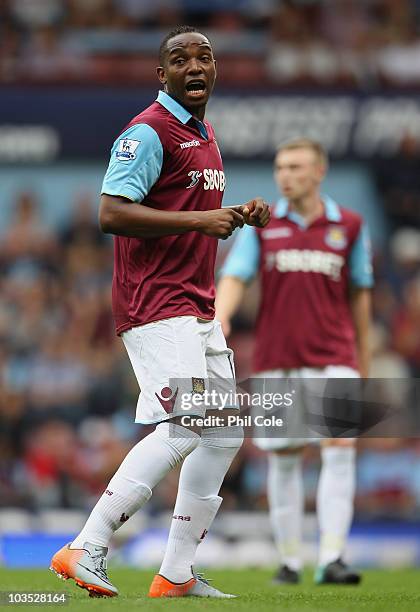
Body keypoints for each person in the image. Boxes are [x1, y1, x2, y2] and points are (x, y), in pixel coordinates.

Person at [49, 25, 270, 599]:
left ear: (217, 70)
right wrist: (202, 220)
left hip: (196, 303)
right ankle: (86, 545)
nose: (194, 67)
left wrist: (233, 213)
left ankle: (174, 573)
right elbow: (111, 214)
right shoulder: (147, 132)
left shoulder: (202, 133)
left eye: (205, 57)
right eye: (180, 59)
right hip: (155, 303)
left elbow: (185, 208)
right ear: (162, 74)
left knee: (222, 432)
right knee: (189, 424)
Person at [216, 138, 373, 585]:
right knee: (285, 458)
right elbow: (235, 275)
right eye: (281, 167)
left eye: (296, 166)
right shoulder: (264, 227)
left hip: (335, 357)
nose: (285, 175)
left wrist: (362, 356)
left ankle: (332, 558)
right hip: (277, 360)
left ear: (319, 171)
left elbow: (360, 292)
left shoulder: (350, 226)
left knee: (339, 453)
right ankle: (289, 560)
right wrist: (222, 316)